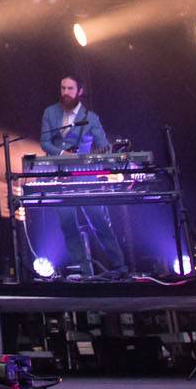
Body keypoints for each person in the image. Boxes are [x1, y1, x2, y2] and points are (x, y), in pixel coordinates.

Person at [38, 74, 127, 278]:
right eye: (63, 88)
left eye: (70, 89)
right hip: (59, 176)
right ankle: (84, 272)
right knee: (68, 225)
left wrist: (108, 153)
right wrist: (62, 154)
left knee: (99, 221)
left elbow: (103, 145)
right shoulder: (50, 113)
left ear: (80, 91)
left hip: (85, 176)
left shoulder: (91, 117)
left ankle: (119, 268)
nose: (65, 93)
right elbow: (45, 142)